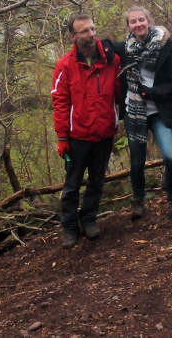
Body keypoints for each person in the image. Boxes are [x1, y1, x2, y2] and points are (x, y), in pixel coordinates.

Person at [113, 6, 172, 225]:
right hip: (134, 114)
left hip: (160, 112)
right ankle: (138, 201)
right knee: (137, 161)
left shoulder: (165, 47)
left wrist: (152, 93)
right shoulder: (126, 49)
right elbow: (104, 46)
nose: (138, 24)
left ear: (149, 21)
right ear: (128, 26)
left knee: (171, 157)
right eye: (133, 21)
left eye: (141, 20)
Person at [52, 13, 121, 248]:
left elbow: (121, 91)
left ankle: (89, 220)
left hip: (104, 132)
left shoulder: (111, 59)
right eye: (85, 31)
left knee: (97, 181)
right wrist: (62, 137)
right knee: (72, 185)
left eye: (93, 29)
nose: (91, 34)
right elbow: (60, 102)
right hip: (77, 135)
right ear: (73, 36)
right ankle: (69, 228)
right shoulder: (65, 65)